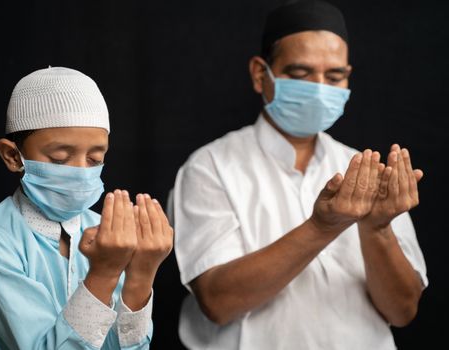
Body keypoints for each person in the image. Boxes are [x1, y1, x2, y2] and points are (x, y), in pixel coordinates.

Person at [168, 1, 427, 349]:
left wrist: (376, 229)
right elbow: (217, 302)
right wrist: (322, 227)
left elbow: (402, 311)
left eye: (334, 77)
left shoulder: (366, 171)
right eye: (301, 74)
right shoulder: (211, 168)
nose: (320, 88)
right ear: (261, 74)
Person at [0, 66, 173, 349]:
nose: (80, 172)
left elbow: (125, 347)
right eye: (59, 159)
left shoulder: (107, 234)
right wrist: (104, 272)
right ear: (12, 156)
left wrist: (141, 276)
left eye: (95, 160)